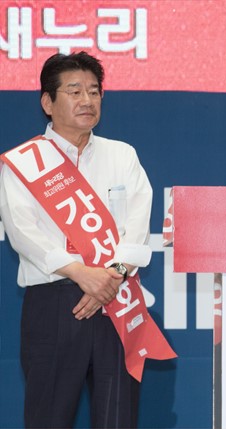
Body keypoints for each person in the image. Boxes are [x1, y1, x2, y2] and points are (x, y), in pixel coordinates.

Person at [0, 52, 156, 428]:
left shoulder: (122, 155)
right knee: (48, 417)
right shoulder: (24, 162)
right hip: (54, 304)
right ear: (47, 102)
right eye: (74, 91)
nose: (87, 100)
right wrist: (81, 273)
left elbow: (137, 225)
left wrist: (110, 277)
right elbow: (22, 231)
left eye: (94, 91)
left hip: (117, 299)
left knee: (118, 417)